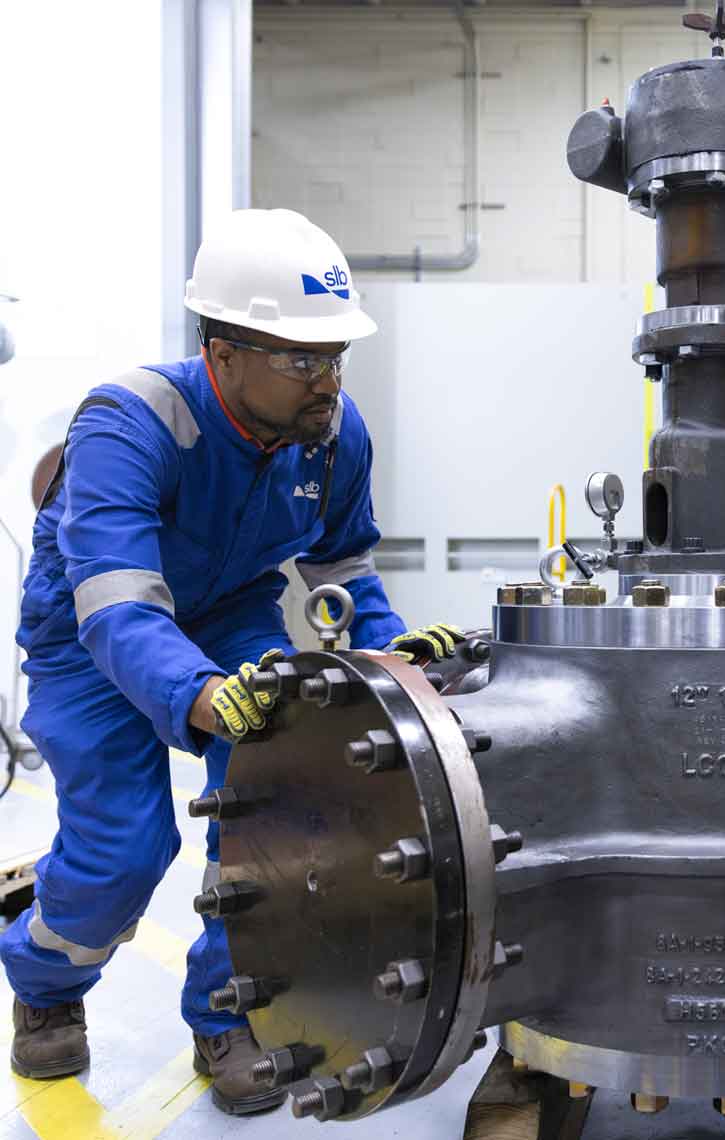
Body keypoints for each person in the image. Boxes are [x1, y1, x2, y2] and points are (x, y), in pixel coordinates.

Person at [2, 208, 464, 1114]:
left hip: (228, 616)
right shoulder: (130, 422)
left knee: (278, 816)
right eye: (301, 359)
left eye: (333, 355)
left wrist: (387, 644)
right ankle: (47, 984)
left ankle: (228, 1010)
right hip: (91, 640)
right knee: (124, 850)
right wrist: (200, 694)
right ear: (222, 351)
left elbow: (341, 566)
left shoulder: (333, 435)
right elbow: (116, 602)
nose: (325, 379)